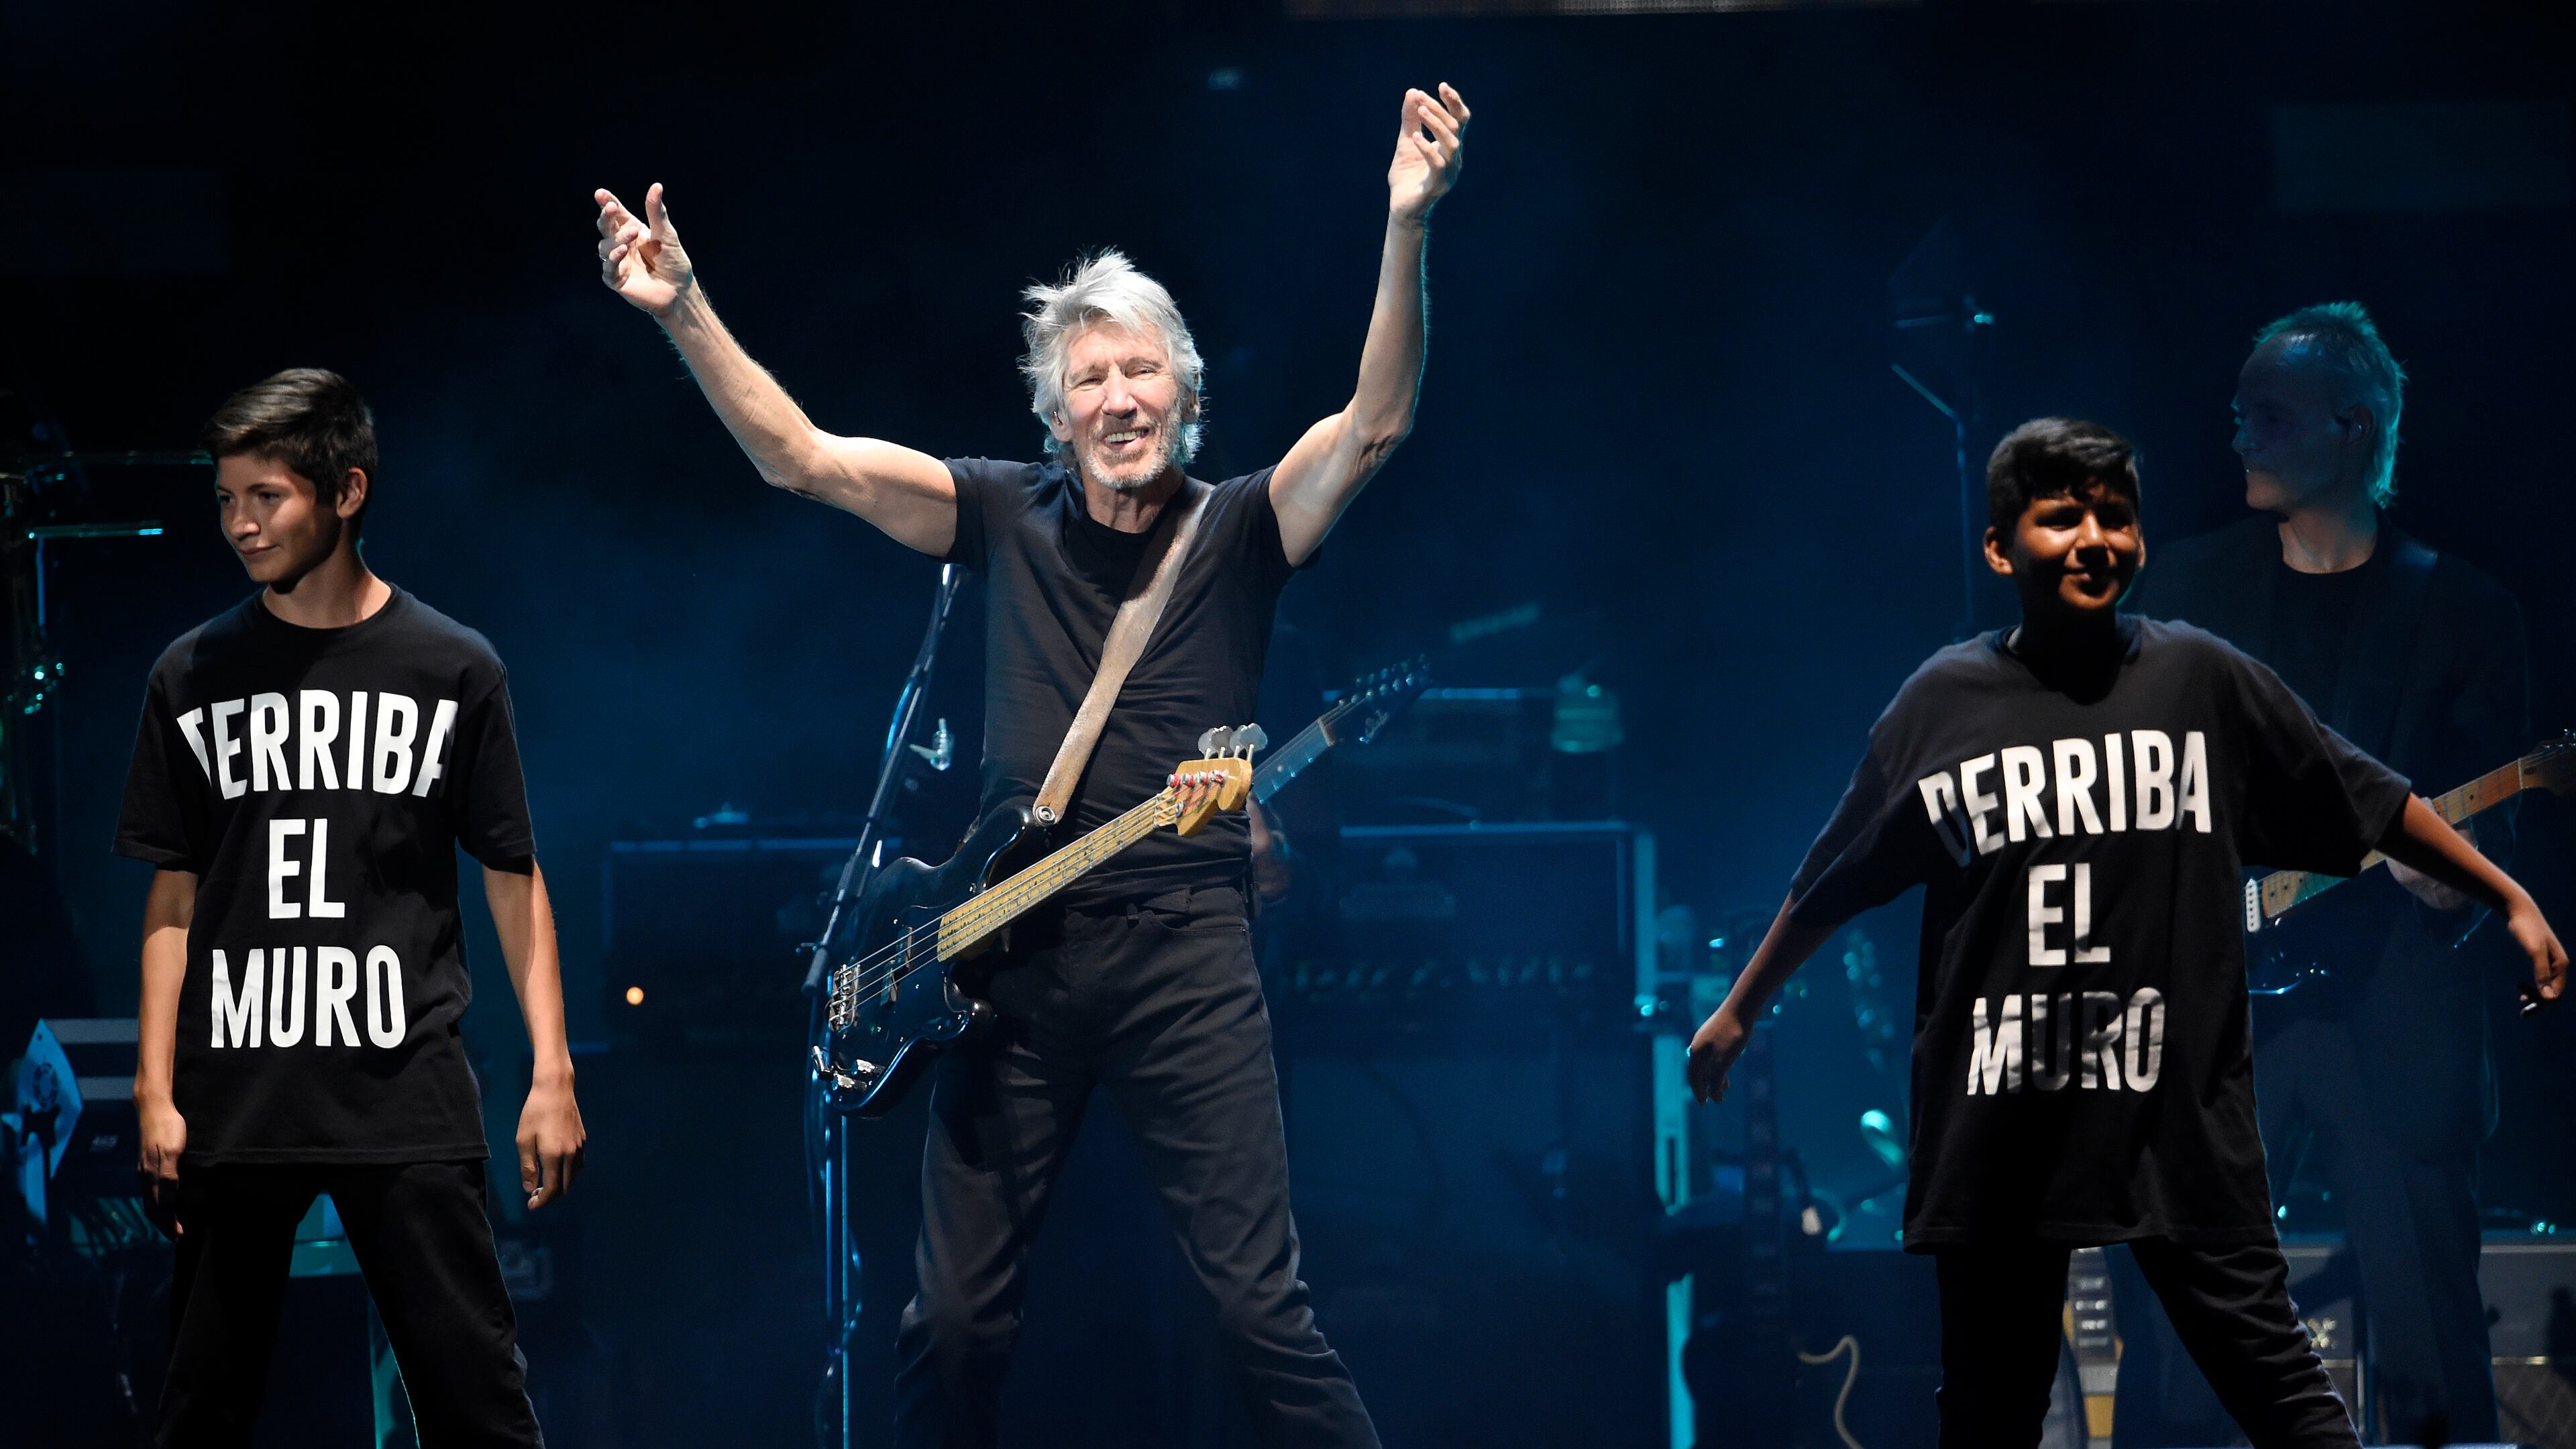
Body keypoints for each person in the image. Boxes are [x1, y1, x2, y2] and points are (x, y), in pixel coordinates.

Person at [592, 82, 1470, 1448]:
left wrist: (1407, 224)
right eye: (1090, 380)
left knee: (1256, 1312)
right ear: (1054, 412)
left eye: (1141, 371)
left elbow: (1375, 428)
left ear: (1187, 391)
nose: (1118, 399)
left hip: (1186, 953)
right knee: (949, 1323)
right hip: (1000, 961)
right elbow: (804, 462)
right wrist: (683, 307)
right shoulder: (999, 512)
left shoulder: (1240, 529)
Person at [1681, 417, 2565, 1449]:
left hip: (2172, 1121)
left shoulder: (2201, 679)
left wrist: (2508, 894)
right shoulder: (1942, 705)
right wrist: (1743, 1006)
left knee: (2286, 1398)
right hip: (2003, 1130)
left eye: (2117, 517)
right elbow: (1835, 877)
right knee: (1991, 1413)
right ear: (2002, 549)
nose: (2096, 538)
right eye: (2063, 519)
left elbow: (2365, 796)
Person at [116, 368, 586, 1445]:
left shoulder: (452, 667)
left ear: (347, 492)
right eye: (226, 499)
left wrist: (550, 1076)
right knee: (201, 1412)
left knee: (480, 1407)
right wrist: (154, 1092)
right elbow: (172, 891)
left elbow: (512, 875)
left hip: (406, 1089)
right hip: (239, 1096)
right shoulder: (190, 673)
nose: (240, 524)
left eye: (266, 497)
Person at [2116, 303, 2529, 1444]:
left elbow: (2497, 850)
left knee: (2432, 1357)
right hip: (2219, 1014)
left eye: (2272, 416)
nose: (2242, 437)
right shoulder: (2184, 593)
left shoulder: (2465, 613)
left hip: (2393, 1019)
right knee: (2187, 1346)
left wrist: (2460, 884)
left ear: (2355, 430)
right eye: (2240, 413)